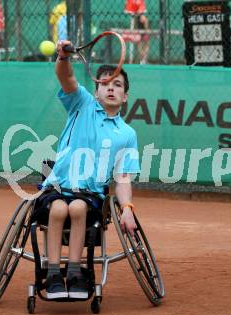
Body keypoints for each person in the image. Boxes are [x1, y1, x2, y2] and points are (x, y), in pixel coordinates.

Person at [41, 39, 140, 300]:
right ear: (96, 91)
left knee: (77, 207)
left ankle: (74, 272)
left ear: (125, 96)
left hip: (90, 196)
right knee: (60, 207)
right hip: (58, 186)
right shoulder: (82, 103)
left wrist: (127, 208)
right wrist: (63, 57)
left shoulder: (127, 134)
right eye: (105, 83)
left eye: (117, 85)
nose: (110, 88)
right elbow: (67, 77)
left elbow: (123, 178)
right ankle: (52, 273)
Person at [124, 0, 150, 64]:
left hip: (144, 33)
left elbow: (146, 24)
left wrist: (147, 30)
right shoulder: (135, 18)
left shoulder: (143, 17)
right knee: (140, 45)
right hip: (139, 34)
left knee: (146, 45)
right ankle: (142, 59)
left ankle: (144, 59)